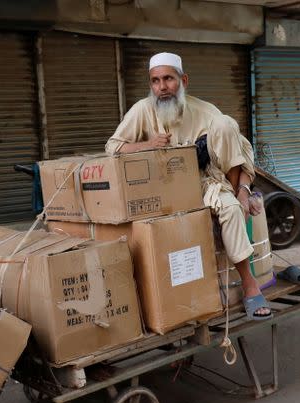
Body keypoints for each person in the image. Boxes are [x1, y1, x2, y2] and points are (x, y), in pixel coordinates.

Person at [105, 52, 271, 320]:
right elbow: (112, 147)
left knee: (229, 204)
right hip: (161, 189)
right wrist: (148, 145)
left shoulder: (206, 111)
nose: (162, 87)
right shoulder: (142, 110)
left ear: (183, 80)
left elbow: (241, 150)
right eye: (156, 81)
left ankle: (249, 284)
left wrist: (242, 191)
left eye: (168, 79)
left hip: (206, 183)